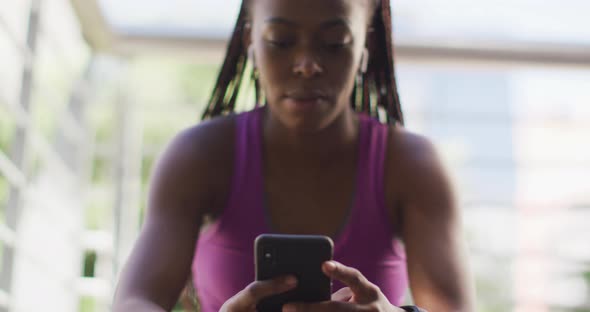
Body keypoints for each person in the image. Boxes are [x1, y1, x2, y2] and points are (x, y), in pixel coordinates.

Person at [112, 0, 476, 311]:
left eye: (335, 43)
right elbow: (134, 301)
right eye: (281, 41)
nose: (306, 64)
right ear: (250, 43)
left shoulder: (411, 165)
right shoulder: (199, 156)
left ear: (366, 48)